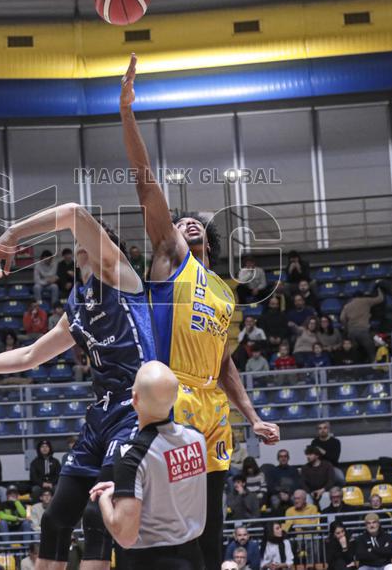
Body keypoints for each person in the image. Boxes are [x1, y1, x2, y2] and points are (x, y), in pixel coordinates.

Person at [118, 54, 279, 570]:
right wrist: (126, 112)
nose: (184, 222)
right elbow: (146, 187)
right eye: (180, 220)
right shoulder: (172, 260)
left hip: (215, 408)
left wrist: (252, 417)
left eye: (192, 222)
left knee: (211, 517)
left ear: (208, 237)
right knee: (171, 517)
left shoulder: (227, 293)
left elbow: (226, 364)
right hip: (174, 397)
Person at [0, 200, 153, 570]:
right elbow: (28, 356)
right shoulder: (77, 305)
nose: (82, 245)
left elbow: (73, 213)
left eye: (90, 241)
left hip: (135, 411)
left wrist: (12, 234)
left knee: (98, 517)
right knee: (54, 519)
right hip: (101, 417)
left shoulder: (119, 275)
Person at [88, 361, 208, 570]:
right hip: (194, 558)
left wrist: (106, 499)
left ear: (134, 399)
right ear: (176, 396)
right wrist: (128, 489)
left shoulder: (132, 454)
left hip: (149, 561)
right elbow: (169, 481)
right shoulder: (197, 439)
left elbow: (125, 536)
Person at [339, 287, 385, 360]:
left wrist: (346, 326)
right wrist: (379, 289)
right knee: (371, 350)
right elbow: (380, 299)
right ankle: (374, 363)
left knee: (354, 351)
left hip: (352, 331)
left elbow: (342, 318)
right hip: (363, 331)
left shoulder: (347, 306)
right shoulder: (366, 301)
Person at [301, 444, 336, 509]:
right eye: (307, 454)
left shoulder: (327, 465)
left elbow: (331, 480)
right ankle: (309, 518)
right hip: (311, 492)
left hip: (324, 491)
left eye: (310, 454)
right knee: (306, 497)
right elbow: (303, 483)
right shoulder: (305, 468)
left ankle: (325, 518)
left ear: (317, 455)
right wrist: (310, 492)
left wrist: (322, 490)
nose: (308, 456)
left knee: (326, 496)